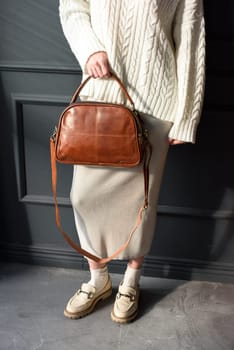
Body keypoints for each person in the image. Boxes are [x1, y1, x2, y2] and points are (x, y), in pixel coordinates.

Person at [59, 0, 206, 323]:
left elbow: (190, 40)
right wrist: (90, 50)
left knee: (141, 203)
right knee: (82, 198)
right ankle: (98, 279)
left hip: (155, 102)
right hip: (101, 96)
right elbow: (72, 8)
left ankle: (130, 283)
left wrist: (186, 117)